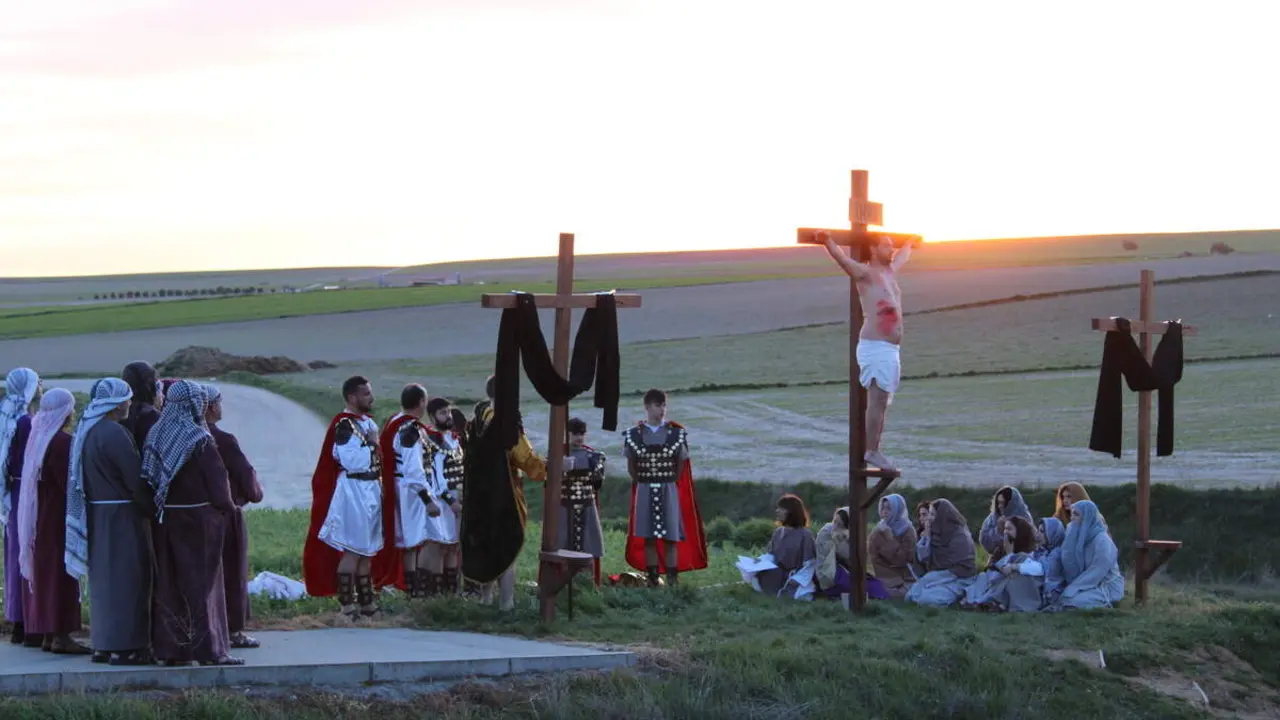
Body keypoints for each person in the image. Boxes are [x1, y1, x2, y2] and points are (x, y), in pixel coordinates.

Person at [143, 380, 240, 667]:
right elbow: (219, 486)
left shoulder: (157, 433)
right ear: (196, 403)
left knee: (171, 586)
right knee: (204, 587)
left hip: (166, 519)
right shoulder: (199, 438)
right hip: (199, 522)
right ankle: (210, 651)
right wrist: (229, 510)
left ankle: (173, 650)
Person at [817, 231, 920, 472]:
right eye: (886, 246)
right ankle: (872, 450)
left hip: (890, 348)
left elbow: (902, 258)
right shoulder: (865, 273)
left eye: (892, 246)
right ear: (873, 250)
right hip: (875, 346)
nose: (891, 249)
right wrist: (828, 241)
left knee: (883, 401)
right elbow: (844, 261)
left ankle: (875, 448)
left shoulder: (889, 272)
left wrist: (909, 245)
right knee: (876, 399)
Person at [70, 378, 154, 665]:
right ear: (117, 403)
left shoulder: (89, 429)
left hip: (99, 514)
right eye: (127, 399)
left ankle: (104, 644)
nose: (130, 403)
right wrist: (153, 509)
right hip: (122, 517)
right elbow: (134, 479)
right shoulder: (114, 433)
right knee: (127, 580)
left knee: (104, 582)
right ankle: (127, 646)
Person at [303, 376, 398, 618]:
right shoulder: (344, 425)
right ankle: (347, 606)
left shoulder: (366, 423)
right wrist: (371, 444)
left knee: (367, 551)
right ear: (353, 397)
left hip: (370, 491)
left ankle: (367, 604)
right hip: (353, 492)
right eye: (366, 394)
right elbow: (351, 461)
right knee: (353, 550)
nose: (371, 398)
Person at [463, 376, 547, 611]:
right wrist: (548, 467)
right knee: (506, 545)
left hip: (479, 493)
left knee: (488, 545)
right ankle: (506, 605)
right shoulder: (505, 421)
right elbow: (523, 457)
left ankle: (485, 600)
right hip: (503, 492)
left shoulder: (478, 416)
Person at [16, 389, 88, 654]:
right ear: (67, 411)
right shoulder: (62, 442)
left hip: (41, 514)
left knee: (46, 572)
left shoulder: (39, 438)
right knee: (62, 572)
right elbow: (68, 481)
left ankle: (48, 632)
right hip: (59, 513)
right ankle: (61, 635)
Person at [623, 389, 708, 588]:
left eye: (663, 405)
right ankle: (653, 578)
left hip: (668, 488)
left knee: (671, 536)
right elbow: (631, 465)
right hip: (644, 488)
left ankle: (672, 580)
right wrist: (643, 481)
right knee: (649, 537)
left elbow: (680, 463)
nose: (661, 410)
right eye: (657, 405)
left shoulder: (676, 434)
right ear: (647, 407)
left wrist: (670, 480)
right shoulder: (633, 435)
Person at [205, 384, 264, 650]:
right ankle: (234, 629)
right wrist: (253, 494)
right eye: (218, 402)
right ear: (210, 407)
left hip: (200, 516)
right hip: (228, 514)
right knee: (231, 569)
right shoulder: (223, 439)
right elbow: (247, 477)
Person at [2, 367, 40, 647]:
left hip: (11, 492)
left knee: (13, 551)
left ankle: (16, 617)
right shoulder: (26, 422)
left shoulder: (6, 416)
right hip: (23, 490)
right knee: (23, 550)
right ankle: (25, 619)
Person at [421, 397, 466, 597]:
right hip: (443, 499)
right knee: (440, 545)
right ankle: (437, 593)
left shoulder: (454, 439)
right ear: (432, 416)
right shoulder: (433, 441)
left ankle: (452, 592)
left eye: (448, 412)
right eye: (442, 413)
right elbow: (436, 477)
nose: (448, 416)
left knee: (453, 546)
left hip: (459, 496)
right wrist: (450, 500)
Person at [1047, 500, 1124, 611]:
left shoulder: (1102, 540)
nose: (1072, 518)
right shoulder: (1078, 537)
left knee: (1072, 600)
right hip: (1084, 583)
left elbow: (1097, 571)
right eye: (1072, 514)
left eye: (1076, 514)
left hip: (1104, 585)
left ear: (1087, 517)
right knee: (1063, 597)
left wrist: (1074, 588)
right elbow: (1068, 560)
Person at [559, 417, 607, 585]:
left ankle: (589, 585)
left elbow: (597, 485)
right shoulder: (557, 455)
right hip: (564, 507)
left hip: (587, 506)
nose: (579, 437)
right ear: (566, 434)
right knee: (563, 547)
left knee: (588, 546)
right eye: (575, 433)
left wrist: (597, 473)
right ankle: (564, 585)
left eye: (582, 434)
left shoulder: (594, 456)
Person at [962, 516, 1043, 612]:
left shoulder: (1028, 553)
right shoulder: (1001, 547)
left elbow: (1035, 569)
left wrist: (1010, 555)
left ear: (1020, 532)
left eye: (1009, 529)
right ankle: (973, 600)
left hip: (1015, 583)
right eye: (1005, 529)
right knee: (983, 577)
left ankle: (990, 602)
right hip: (995, 580)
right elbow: (991, 566)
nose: (1005, 532)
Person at [905, 499, 977, 607]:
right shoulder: (936, 533)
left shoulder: (960, 536)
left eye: (933, 514)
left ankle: (959, 599)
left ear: (942, 516)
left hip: (959, 579)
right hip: (940, 577)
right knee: (911, 595)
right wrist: (927, 537)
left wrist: (936, 577)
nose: (929, 518)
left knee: (925, 598)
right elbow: (922, 557)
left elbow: (963, 566)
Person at [752, 494, 817, 598]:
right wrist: (759, 561)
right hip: (777, 575)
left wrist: (797, 579)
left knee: (802, 596)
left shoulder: (805, 535)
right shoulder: (778, 532)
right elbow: (771, 556)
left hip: (794, 577)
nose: (777, 511)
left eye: (781, 509)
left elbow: (810, 563)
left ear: (791, 511)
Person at [869, 494, 918, 599]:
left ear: (898, 510)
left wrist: (890, 539)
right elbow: (873, 557)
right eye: (883, 508)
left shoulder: (908, 530)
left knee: (904, 593)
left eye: (889, 508)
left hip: (904, 576)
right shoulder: (878, 529)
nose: (885, 511)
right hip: (883, 575)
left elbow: (903, 559)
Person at [978, 486, 1035, 556]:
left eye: (1002, 503)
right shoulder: (992, 518)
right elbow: (985, 541)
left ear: (1011, 503)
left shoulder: (1024, 518)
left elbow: (1027, 543)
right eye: (998, 502)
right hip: (997, 558)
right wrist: (998, 530)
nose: (999, 506)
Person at [121, 362, 163, 452]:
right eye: (159, 387)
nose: (162, 395)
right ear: (151, 388)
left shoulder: (119, 413)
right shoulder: (152, 417)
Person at [1036, 517, 1067, 607]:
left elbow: (1046, 572)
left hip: (1054, 593)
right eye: (1038, 530)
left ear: (1052, 533)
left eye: (1042, 531)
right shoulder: (1047, 551)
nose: (1038, 535)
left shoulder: (1057, 553)